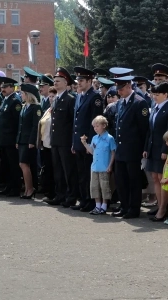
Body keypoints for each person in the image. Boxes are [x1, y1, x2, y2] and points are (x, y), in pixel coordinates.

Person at [110, 70, 150, 219]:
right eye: (117, 89)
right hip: (120, 149)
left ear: (128, 86)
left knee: (134, 181)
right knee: (121, 180)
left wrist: (143, 149)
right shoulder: (120, 103)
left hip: (133, 149)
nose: (118, 91)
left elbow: (144, 129)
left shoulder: (140, 102)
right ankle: (124, 206)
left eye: (121, 88)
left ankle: (134, 209)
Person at [69, 67, 103, 211]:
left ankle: (91, 201)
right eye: (78, 80)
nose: (79, 83)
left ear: (90, 81)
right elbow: (76, 122)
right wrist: (74, 142)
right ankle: (83, 200)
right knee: (81, 174)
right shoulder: (79, 96)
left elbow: (94, 123)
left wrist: (91, 143)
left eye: (82, 80)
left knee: (89, 175)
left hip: (88, 143)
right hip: (79, 142)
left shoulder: (95, 97)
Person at [44, 67, 78, 206]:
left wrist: (72, 142)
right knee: (57, 169)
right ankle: (60, 195)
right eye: (54, 81)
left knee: (68, 170)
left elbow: (72, 122)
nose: (55, 83)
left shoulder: (70, 99)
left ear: (65, 83)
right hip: (56, 140)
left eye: (58, 81)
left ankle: (70, 197)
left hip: (65, 141)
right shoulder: (56, 99)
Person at [143, 82, 168, 221]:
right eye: (153, 94)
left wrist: (165, 150)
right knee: (155, 178)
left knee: (162, 179)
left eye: (157, 94)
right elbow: (149, 131)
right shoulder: (155, 108)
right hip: (152, 148)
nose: (154, 97)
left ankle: (164, 209)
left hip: (163, 149)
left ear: (166, 95)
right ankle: (160, 205)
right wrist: (146, 148)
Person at [81, 115, 116, 215]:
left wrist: (110, 165)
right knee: (94, 186)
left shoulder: (109, 138)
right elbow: (92, 151)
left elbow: (113, 152)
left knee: (105, 186)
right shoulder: (94, 138)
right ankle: (97, 205)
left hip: (104, 166)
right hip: (95, 166)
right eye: (94, 126)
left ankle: (104, 206)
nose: (95, 128)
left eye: (97, 126)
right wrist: (84, 143)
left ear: (104, 125)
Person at [0, 76, 22, 197]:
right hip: (3, 139)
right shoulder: (5, 99)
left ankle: (15, 188)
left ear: (12, 87)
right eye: (2, 86)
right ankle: (8, 186)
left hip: (10, 139)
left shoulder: (15, 101)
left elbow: (17, 123)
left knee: (13, 165)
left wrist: (15, 139)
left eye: (5, 87)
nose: (2, 88)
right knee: (6, 165)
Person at [16, 84, 42, 199]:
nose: (21, 95)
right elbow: (20, 125)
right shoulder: (24, 106)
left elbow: (35, 126)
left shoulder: (35, 107)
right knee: (22, 164)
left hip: (28, 141)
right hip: (22, 139)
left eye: (22, 93)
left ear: (28, 95)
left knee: (24, 164)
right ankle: (27, 189)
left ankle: (30, 189)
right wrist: (17, 140)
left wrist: (32, 141)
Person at [37, 87, 57, 200]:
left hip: (52, 144)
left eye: (53, 96)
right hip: (45, 144)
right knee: (47, 169)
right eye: (49, 96)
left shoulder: (56, 110)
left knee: (53, 170)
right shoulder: (48, 109)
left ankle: (54, 193)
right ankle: (49, 192)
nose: (51, 98)